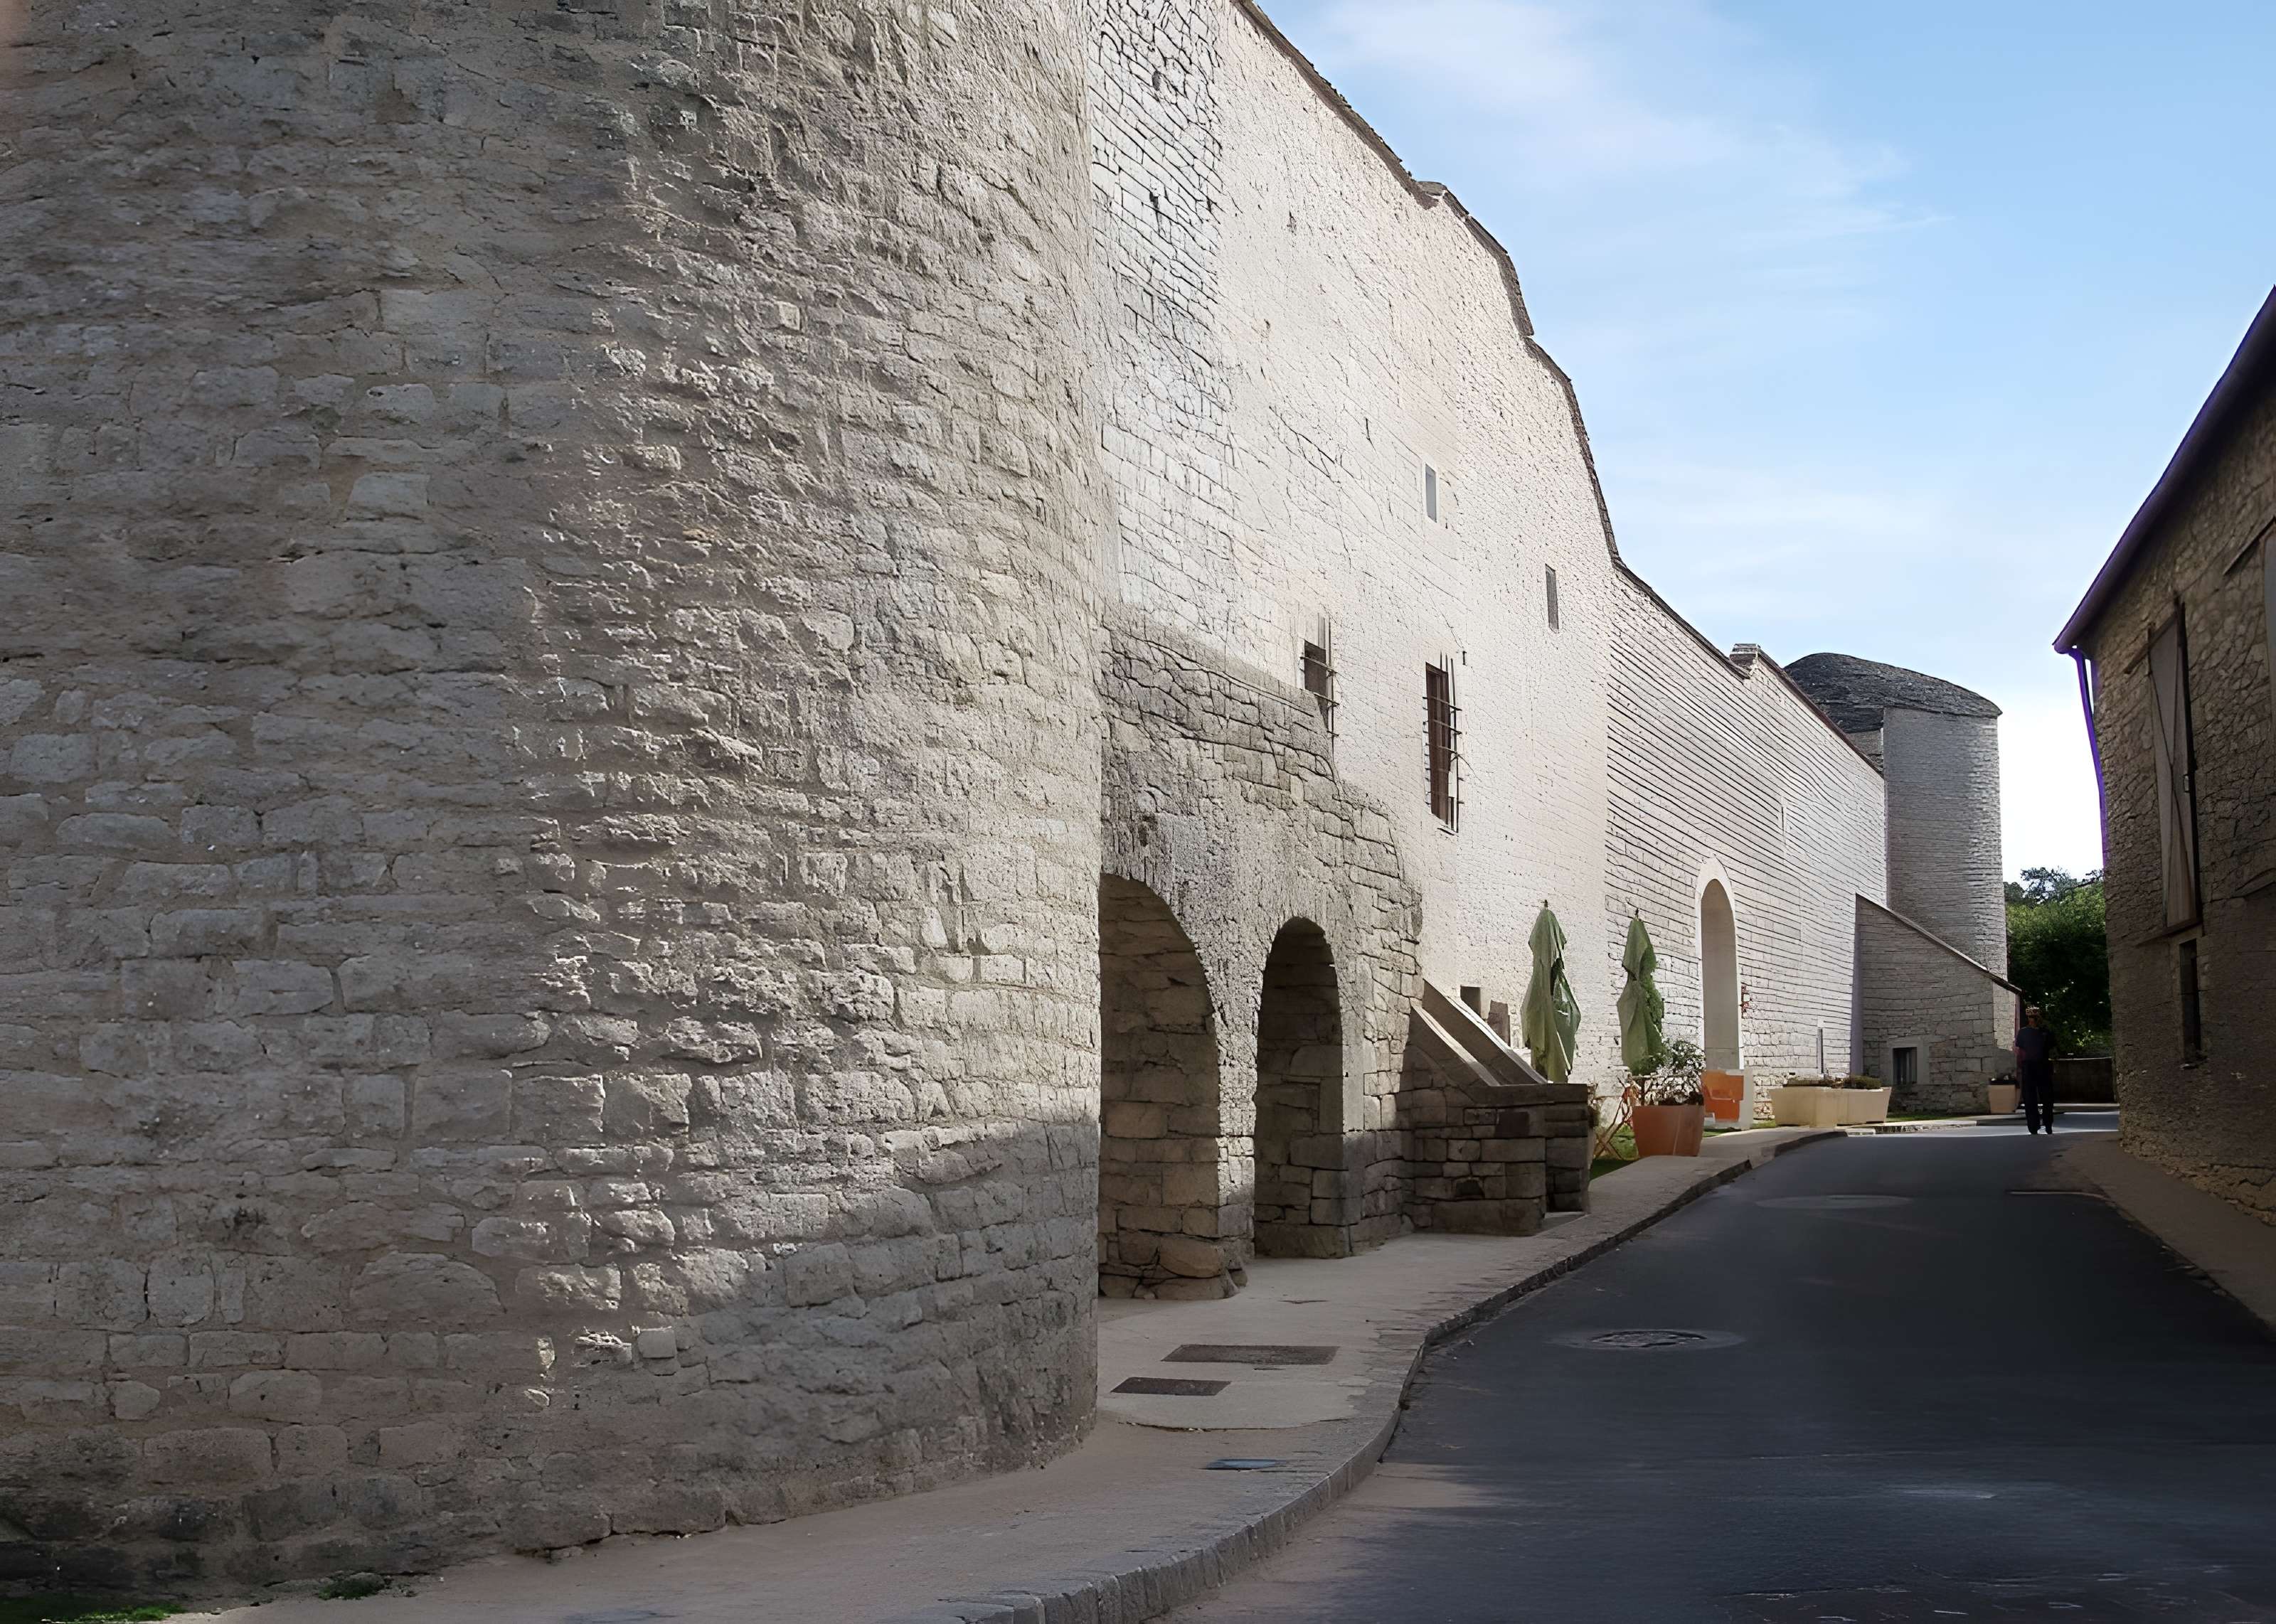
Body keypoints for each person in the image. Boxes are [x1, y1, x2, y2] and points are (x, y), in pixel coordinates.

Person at [2014, 1006, 2056, 1135]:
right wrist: (2020, 1066)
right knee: (2029, 1097)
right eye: (2031, 1017)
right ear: (2028, 1018)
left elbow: (2052, 1050)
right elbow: (2020, 1051)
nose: (2033, 1020)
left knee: (2047, 1097)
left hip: (2043, 1066)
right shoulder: (2023, 1032)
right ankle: (2033, 1126)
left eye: (2035, 1017)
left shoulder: (2046, 1032)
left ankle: (2048, 1124)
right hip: (2029, 1066)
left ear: (2039, 1017)